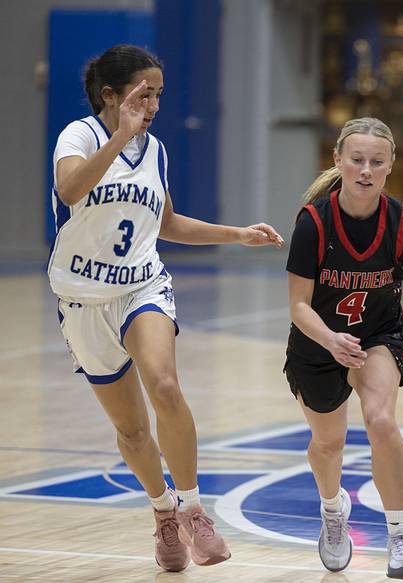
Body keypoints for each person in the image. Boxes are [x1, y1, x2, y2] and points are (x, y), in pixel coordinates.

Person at [48, 44, 284, 572]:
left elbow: (167, 225)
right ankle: (163, 515)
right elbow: (70, 189)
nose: (153, 105)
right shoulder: (79, 136)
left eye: (158, 94)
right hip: (83, 298)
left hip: (141, 285)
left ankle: (195, 510)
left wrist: (237, 234)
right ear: (110, 95)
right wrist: (120, 137)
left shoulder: (155, 150)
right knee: (132, 431)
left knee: (166, 385)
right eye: (142, 94)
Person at [284, 117, 403, 580]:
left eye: (376, 162)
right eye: (356, 160)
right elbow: (298, 306)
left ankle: (400, 535)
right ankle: (333, 509)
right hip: (319, 339)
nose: (365, 169)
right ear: (338, 160)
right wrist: (330, 340)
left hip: (378, 335)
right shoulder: (314, 223)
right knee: (328, 443)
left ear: (390, 166)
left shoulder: (401, 225)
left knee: (381, 420)